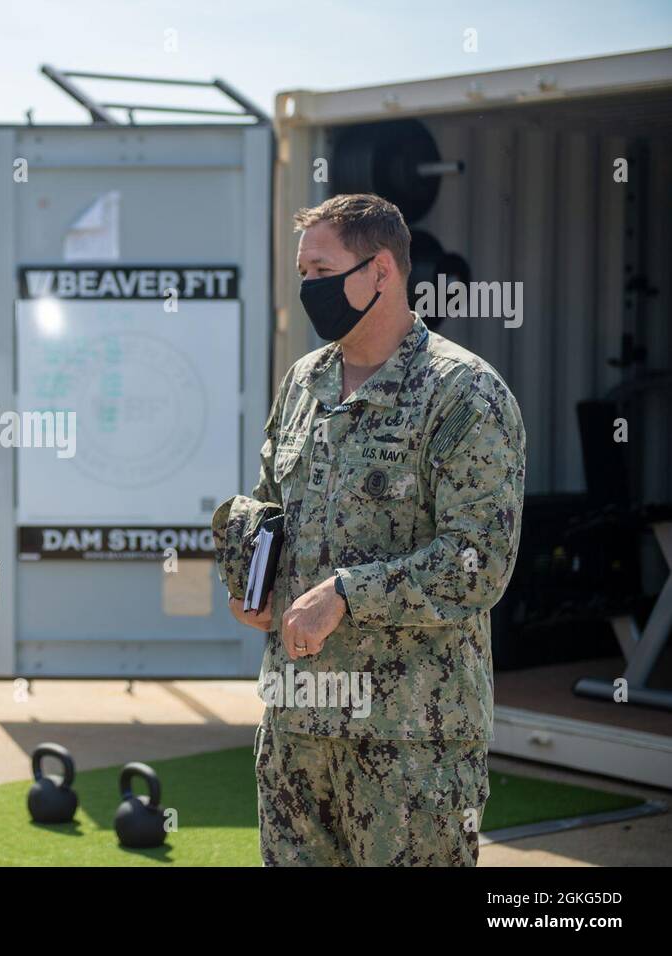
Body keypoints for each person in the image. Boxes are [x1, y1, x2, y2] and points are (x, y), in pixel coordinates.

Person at [230, 193, 526, 866]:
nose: (310, 289)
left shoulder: (463, 393)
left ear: (381, 271)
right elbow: (270, 502)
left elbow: (478, 562)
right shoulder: (304, 383)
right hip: (295, 725)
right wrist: (248, 573)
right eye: (302, 273)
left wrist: (345, 594)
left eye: (321, 270)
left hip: (409, 742)